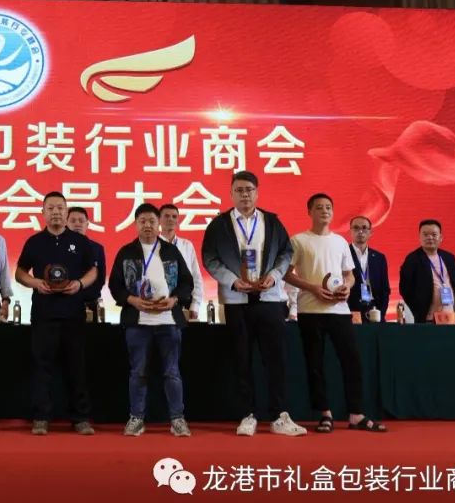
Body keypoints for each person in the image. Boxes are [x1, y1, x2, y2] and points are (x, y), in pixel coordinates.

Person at [201, 170, 305, 437]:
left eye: (249, 190)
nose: (244, 195)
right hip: (236, 300)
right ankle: (247, 414)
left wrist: (275, 275)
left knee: (275, 359)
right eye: (239, 190)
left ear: (257, 193)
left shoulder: (272, 222)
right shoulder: (219, 225)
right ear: (231, 194)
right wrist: (232, 281)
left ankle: (280, 415)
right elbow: (210, 258)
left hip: (270, 299)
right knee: (241, 359)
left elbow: (286, 253)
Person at [284, 194, 385, 434]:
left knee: (352, 361)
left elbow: (349, 275)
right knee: (315, 363)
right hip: (310, 310)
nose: (325, 211)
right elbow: (286, 274)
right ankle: (324, 413)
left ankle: (356, 414)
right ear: (309, 212)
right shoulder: (298, 240)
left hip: (339, 310)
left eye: (328, 207)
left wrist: (346, 287)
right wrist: (312, 288)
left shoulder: (340, 242)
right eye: (319, 207)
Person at [16, 191, 100, 436]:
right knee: (42, 367)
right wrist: (35, 283)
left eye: (60, 208)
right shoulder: (34, 242)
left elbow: (93, 271)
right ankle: (41, 418)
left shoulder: (80, 241)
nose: (55, 212)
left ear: (66, 211)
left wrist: (80, 284)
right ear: (43, 213)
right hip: (44, 314)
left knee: (77, 367)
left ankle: (81, 418)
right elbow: (20, 272)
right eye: (50, 208)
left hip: (73, 313)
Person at [109, 204, 194, 437]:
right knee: (138, 372)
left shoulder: (171, 251)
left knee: (172, 373)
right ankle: (136, 418)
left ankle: (177, 419)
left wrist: (175, 300)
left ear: (159, 225)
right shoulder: (126, 252)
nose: (147, 225)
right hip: (138, 322)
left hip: (168, 321)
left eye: (151, 221)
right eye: (142, 221)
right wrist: (132, 300)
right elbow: (115, 285)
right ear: (136, 224)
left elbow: (187, 282)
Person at [399, 219, 455, 323]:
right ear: (419, 237)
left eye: (434, 234)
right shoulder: (412, 259)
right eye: (425, 235)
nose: (430, 238)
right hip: (428, 319)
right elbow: (404, 289)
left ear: (441, 237)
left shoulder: (449, 258)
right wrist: (419, 309)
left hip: (452, 317)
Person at [159, 203, 206, 320]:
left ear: (178, 221)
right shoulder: (153, 245)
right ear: (159, 219)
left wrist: (195, 305)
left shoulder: (187, 245)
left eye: (174, 217)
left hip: (184, 302)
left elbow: (196, 277)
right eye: (166, 216)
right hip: (159, 302)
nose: (170, 219)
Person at [66, 206, 107, 320]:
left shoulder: (97, 248)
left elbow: (101, 278)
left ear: (87, 224)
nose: (77, 224)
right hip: (65, 304)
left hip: (90, 304)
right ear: (66, 223)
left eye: (81, 221)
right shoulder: (59, 247)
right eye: (73, 221)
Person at [347, 216, 391, 321]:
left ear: (371, 232)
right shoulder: (343, 255)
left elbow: (385, 289)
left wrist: (381, 313)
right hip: (351, 312)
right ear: (350, 232)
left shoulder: (379, 258)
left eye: (364, 228)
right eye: (356, 228)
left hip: (375, 311)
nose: (360, 231)